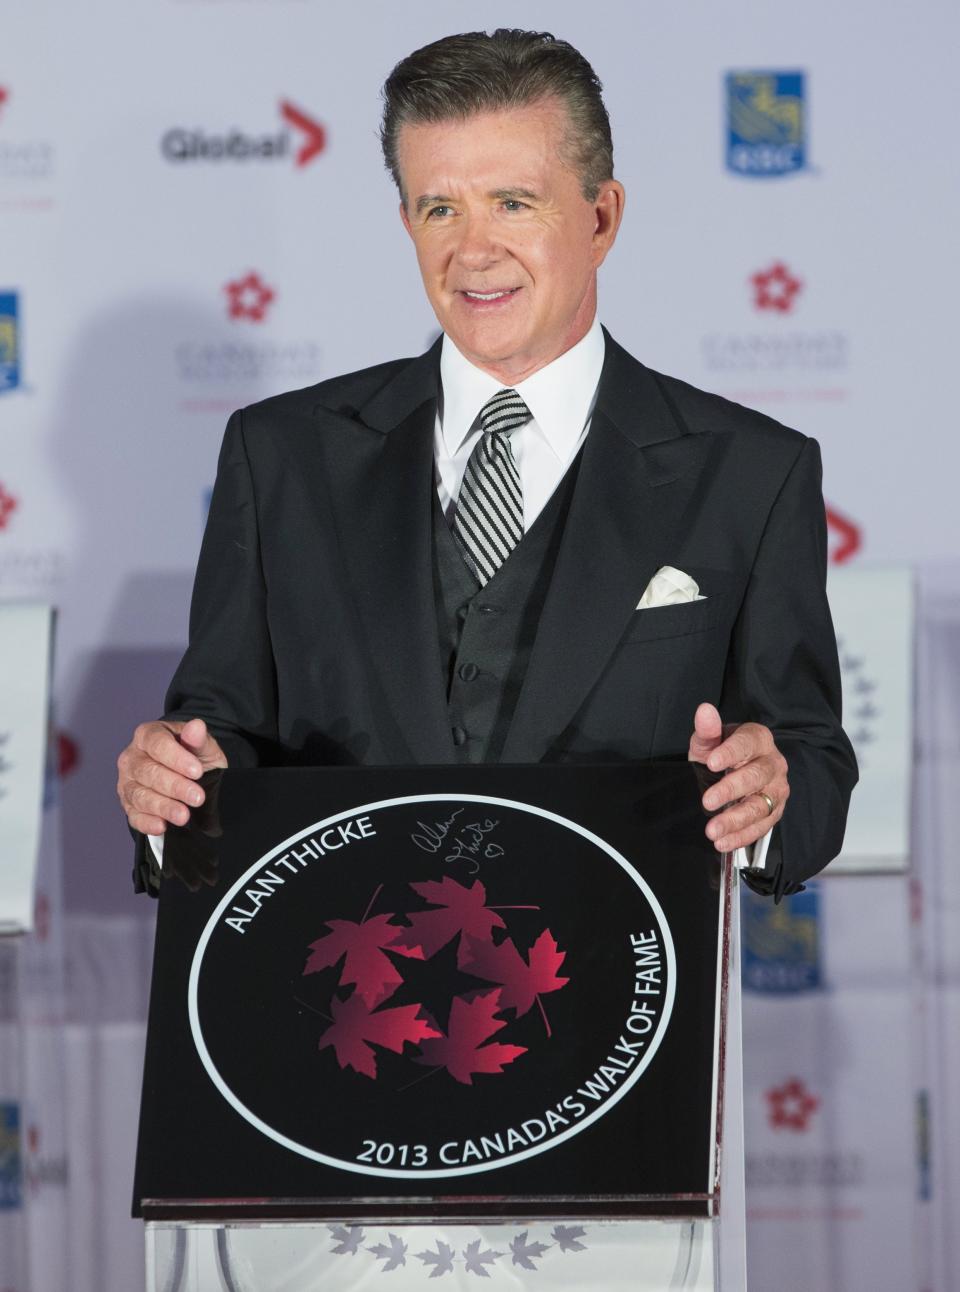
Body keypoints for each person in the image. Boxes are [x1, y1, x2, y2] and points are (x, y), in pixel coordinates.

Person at [116, 29, 856, 901]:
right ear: (406, 222)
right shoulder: (279, 456)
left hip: (619, 1004)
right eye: (440, 208)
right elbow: (219, 736)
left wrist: (767, 798)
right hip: (339, 1002)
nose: (472, 251)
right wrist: (175, 789)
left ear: (601, 216)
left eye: (513, 203)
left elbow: (810, 764)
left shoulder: (751, 474)